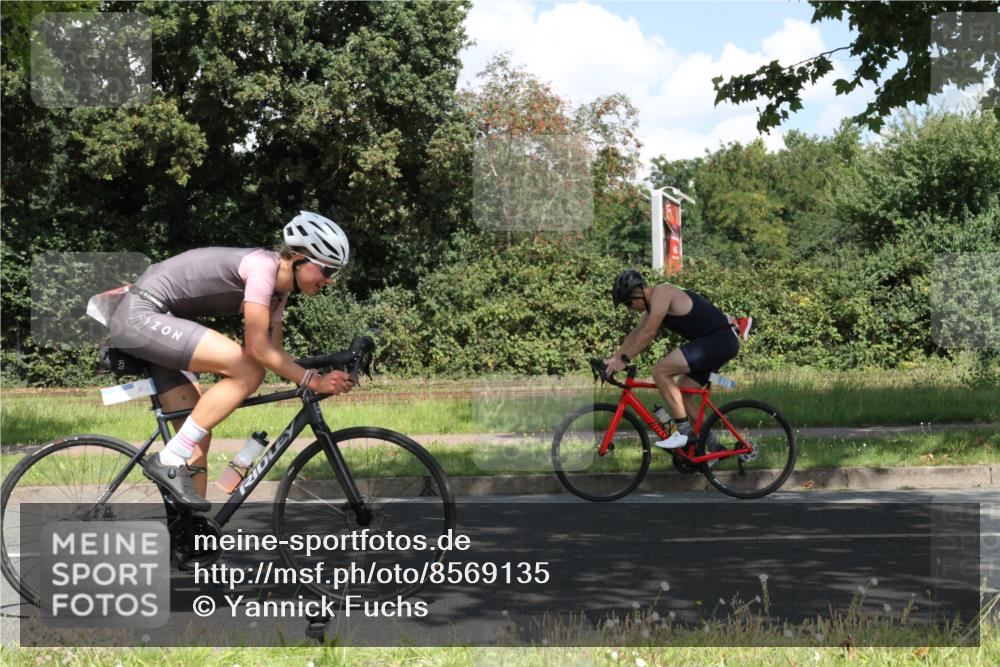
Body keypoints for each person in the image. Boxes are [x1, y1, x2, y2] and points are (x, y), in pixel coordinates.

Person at [106, 211, 354, 511]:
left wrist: (317, 372)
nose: (330, 281)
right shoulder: (263, 267)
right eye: (327, 270)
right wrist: (310, 379)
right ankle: (168, 459)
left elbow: (275, 352)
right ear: (300, 257)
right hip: (142, 313)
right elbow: (258, 350)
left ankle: (191, 542)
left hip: (158, 319)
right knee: (249, 370)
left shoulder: (279, 291)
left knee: (197, 437)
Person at [603, 269, 749, 450]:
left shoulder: (662, 293)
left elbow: (648, 334)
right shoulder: (652, 307)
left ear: (639, 292)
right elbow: (636, 334)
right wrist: (612, 360)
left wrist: (624, 360)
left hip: (718, 340)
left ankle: (684, 432)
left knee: (660, 371)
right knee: (683, 395)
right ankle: (715, 448)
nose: (629, 308)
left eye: (628, 302)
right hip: (715, 343)